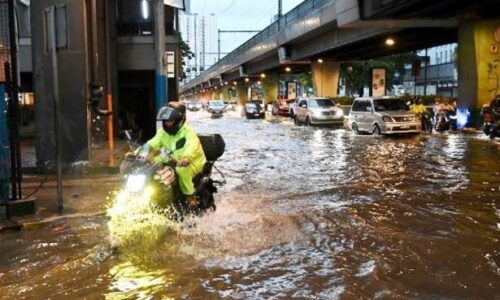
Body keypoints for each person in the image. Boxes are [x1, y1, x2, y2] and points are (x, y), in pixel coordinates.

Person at [146, 101, 206, 209]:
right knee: (152, 163)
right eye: (165, 121)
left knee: (182, 170)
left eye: (170, 121)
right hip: (172, 159)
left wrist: (186, 157)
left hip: (192, 162)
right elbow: (151, 144)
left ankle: (190, 196)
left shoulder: (188, 131)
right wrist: (137, 153)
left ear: (180, 119)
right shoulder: (163, 132)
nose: (167, 123)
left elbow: (192, 146)